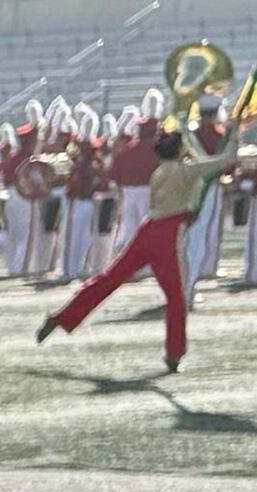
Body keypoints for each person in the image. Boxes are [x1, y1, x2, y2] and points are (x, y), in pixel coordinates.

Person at [40, 114, 220, 373]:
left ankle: (62, 316)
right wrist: (207, 137)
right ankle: (174, 353)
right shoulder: (184, 169)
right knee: (176, 297)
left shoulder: (157, 166)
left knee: (108, 278)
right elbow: (212, 164)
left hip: (148, 226)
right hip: (167, 232)